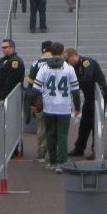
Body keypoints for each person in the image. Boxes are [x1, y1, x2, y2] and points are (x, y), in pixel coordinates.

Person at [33, 42, 80, 173]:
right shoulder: (69, 68)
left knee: (50, 134)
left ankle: (52, 161)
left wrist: (33, 103)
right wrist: (77, 106)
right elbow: (75, 90)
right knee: (62, 135)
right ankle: (61, 161)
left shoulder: (44, 68)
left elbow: (35, 89)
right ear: (62, 52)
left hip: (49, 106)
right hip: (64, 107)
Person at [64, 47, 107, 160]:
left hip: (99, 97)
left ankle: (96, 150)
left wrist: (73, 84)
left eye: (67, 59)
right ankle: (79, 148)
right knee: (84, 124)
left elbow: (87, 78)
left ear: (73, 56)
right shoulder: (75, 67)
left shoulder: (87, 63)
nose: (67, 62)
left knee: (96, 124)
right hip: (90, 98)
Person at [0, 39, 25, 104]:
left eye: (5, 47)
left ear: (12, 48)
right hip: (3, 94)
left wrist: (2, 97)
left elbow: (11, 82)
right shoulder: (5, 60)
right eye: (2, 48)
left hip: (9, 96)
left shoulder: (14, 61)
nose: (3, 49)